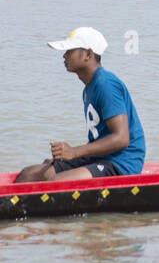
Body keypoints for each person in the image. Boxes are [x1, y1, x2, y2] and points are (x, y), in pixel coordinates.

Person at [15, 26, 145, 183]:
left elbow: (122, 138)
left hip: (121, 163)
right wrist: (65, 158)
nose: (64, 55)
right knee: (29, 174)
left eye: (70, 51)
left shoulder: (106, 84)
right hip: (99, 158)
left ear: (88, 55)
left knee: (55, 183)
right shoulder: (88, 88)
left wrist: (74, 152)